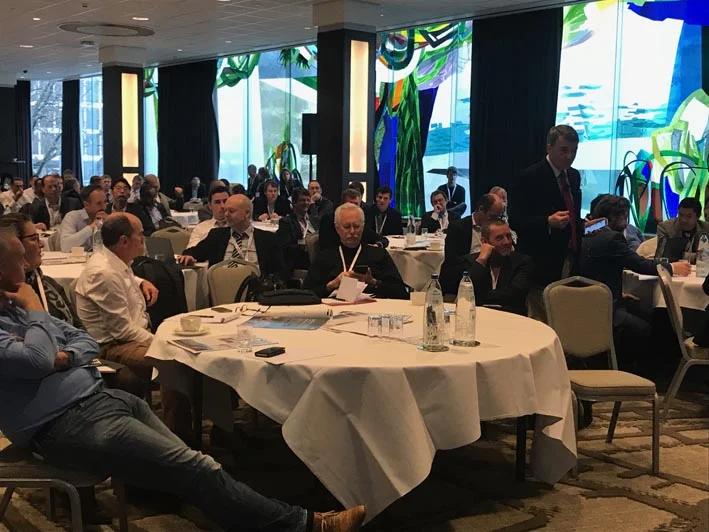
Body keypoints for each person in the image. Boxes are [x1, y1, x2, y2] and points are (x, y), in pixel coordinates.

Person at [0, 232, 366, 532]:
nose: (28, 266)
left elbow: (83, 340)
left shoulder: (16, 309)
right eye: (19, 260)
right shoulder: (25, 308)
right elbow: (37, 359)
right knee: (196, 467)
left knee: (194, 465)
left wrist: (61, 356)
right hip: (63, 424)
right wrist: (36, 313)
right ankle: (305, 525)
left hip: (103, 400)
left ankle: (226, 507)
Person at [75, 213, 189, 430]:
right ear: (124, 241)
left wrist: (140, 281)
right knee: (173, 361)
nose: (144, 239)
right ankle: (177, 434)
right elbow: (122, 331)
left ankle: (191, 424)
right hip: (111, 346)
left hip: (129, 336)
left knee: (185, 349)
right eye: (140, 235)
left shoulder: (114, 260)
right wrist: (160, 341)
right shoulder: (104, 273)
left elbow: (123, 278)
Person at [580, 195, 691, 367]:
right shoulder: (612, 238)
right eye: (624, 218)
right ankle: (638, 370)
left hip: (588, 303)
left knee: (642, 309)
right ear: (614, 218)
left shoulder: (588, 232)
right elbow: (639, 264)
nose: (626, 224)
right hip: (605, 308)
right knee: (650, 325)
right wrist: (672, 267)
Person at [510, 125, 587, 320]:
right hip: (540, 260)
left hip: (570, 258)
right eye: (564, 150)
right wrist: (547, 222)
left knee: (565, 317)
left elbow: (572, 213)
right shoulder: (529, 177)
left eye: (574, 151)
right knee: (542, 318)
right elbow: (516, 220)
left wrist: (583, 225)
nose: (569, 156)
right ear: (549, 147)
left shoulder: (574, 176)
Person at [304, 203, 408, 299]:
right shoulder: (325, 257)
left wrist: (373, 282)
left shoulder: (379, 255)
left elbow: (401, 293)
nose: (352, 231)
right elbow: (305, 293)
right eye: (347, 227)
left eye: (357, 226)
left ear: (363, 227)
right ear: (337, 228)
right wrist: (332, 285)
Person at [0, 213, 82, 329]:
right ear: (14, 244)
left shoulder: (49, 284)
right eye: (34, 239)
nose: (42, 244)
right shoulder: (6, 301)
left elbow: (79, 329)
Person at [179, 194, 287, 279]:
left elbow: (280, 272)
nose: (226, 214)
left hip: (255, 288)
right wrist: (188, 255)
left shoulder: (267, 239)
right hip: (221, 286)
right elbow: (195, 252)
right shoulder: (217, 235)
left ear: (247, 214)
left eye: (231, 211)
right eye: (225, 211)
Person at [444, 220, 532, 315]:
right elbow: (466, 291)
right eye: (499, 238)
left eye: (508, 236)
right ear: (485, 242)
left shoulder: (522, 262)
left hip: (512, 316)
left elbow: (515, 294)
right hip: (478, 316)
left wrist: (479, 296)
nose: (506, 242)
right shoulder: (469, 261)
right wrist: (481, 260)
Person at [443, 193, 506, 267]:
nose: (495, 221)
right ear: (481, 209)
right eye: (492, 216)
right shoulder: (457, 228)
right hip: (468, 269)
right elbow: (452, 261)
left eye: (499, 217)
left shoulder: (497, 227)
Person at [318, 188, 389, 250]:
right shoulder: (329, 219)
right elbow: (325, 246)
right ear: (342, 204)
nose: (353, 207)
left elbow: (382, 239)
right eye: (350, 204)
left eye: (356, 204)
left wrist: (377, 245)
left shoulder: (359, 221)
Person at [277, 188, 318, 273]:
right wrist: (305, 247)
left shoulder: (314, 220)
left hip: (316, 257)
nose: (306, 203)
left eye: (308, 200)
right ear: (294, 203)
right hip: (299, 261)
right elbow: (285, 248)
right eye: (302, 200)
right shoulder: (286, 222)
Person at [58, 184, 107, 252]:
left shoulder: (107, 218)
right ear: (86, 205)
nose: (104, 207)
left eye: (105, 202)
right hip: (75, 258)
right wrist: (91, 227)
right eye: (99, 203)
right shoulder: (72, 217)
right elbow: (65, 246)